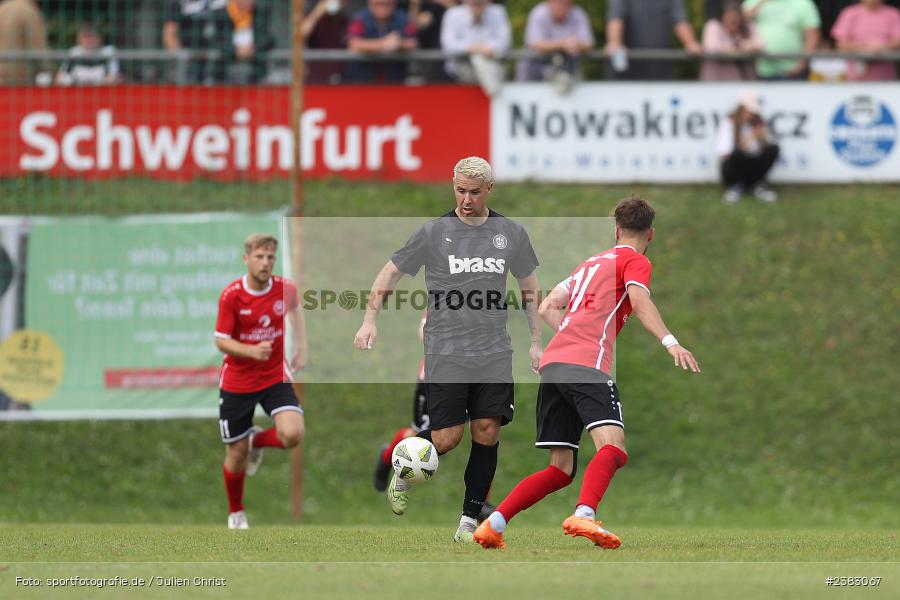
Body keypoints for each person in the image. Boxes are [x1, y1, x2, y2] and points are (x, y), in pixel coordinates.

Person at [474, 196, 701, 550]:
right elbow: (639, 300)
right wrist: (671, 342)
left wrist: (570, 333)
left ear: (616, 230)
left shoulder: (590, 264)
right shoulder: (635, 260)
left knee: (560, 469)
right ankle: (584, 513)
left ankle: (494, 524)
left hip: (554, 365)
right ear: (651, 234)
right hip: (586, 366)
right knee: (614, 448)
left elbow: (548, 305)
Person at [354, 156, 543, 543]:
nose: (466, 200)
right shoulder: (434, 232)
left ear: (489, 189)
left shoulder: (510, 232)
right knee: (446, 439)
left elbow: (529, 286)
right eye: (460, 191)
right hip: (446, 349)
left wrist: (537, 341)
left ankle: (468, 523)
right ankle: (403, 467)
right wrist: (369, 319)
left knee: (487, 430)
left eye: (474, 192)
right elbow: (390, 272)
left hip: (494, 350)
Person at [215, 233, 307, 530]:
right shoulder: (232, 296)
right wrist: (251, 351)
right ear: (247, 259)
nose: (265, 262)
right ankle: (236, 513)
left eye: (270, 257)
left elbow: (295, 309)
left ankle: (256, 440)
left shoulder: (285, 289)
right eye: (259, 257)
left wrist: (301, 346)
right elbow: (221, 341)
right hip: (238, 381)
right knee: (236, 453)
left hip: (273, 376)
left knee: (292, 434)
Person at [605, 0, 702, 80]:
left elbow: (680, 20)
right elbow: (615, 18)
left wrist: (690, 43)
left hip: (660, 68)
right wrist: (614, 42)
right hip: (627, 73)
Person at [517, 0, 595, 94]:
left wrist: (576, 44)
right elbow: (535, 43)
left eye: (566, 3)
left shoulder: (578, 14)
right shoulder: (538, 13)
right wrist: (562, 44)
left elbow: (589, 43)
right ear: (549, 2)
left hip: (566, 74)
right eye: (558, 3)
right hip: (534, 72)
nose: (561, 7)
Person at [716, 92, 780, 203]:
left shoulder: (758, 123)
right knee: (737, 154)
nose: (751, 115)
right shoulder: (729, 123)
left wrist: (761, 138)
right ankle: (735, 187)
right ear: (741, 109)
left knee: (773, 149)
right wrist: (750, 138)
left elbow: (762, 152)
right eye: (749, 112)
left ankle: (758, 185)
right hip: (735, 168)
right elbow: (726, 154)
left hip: (753, 166)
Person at [440, 0, 511, 95]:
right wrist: (472, 48)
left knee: (481, 59)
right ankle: (493, 90)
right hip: (460, 68)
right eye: (474, 3)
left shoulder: (498, 12)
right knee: (478, 58)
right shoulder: (453, 14)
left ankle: (493, 89)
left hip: (492, 63)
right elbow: (449, 45)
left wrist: (483, 49)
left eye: (480, 3)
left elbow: (504, 42)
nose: (477, 5)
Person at [742, 0, 821, 80]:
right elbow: (739, 22)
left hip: (793, 71)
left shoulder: (803, 3)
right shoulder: (751, 2)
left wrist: (802, 64)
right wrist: (761, 3)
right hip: (758, 71)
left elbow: (812, 36)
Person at [346, 0, 418, 82]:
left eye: (386, 4)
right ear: (370, 3)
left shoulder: (403, 18)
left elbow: (413, 43)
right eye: (378, 4)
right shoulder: (359, 18)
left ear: (394, 3)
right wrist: (383, 44)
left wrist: (400, 44)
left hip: (394, 79)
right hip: (363, 79)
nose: (382, 7)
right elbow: (353, 44)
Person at [831, 0, 900, 81]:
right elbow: (840, 44)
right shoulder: (849, 13)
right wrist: (867, 47)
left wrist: (881, 47)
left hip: (886, 76)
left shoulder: (893, 14)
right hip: (854, 76)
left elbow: (897, 41)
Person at [163, 0, 228, 84]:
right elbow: (169, 36)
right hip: (191, 64)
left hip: (221, 61)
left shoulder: (223, 3)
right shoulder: (178, 3)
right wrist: (184, 58)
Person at [701, 1, 763, 80]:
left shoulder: (747, 27)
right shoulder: (714, 25)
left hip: (743, 81)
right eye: (729, 18)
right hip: (716, 81)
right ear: (723, 17)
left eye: (736, 19)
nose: (733, 22)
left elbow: (760, 45)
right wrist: (737, 48)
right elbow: (711, 48)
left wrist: (751, 46)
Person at [302, 0, 351, 84]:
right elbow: (301, 35)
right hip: (317, 78)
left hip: (341, 78)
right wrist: (317, 12)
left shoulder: (346, 20)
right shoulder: (313, 17)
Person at [0, 0, 48, 85]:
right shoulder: (28, 11)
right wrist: (54, 74)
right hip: (17, 80)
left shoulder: (2, 7)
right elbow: (39, 51)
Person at [56, 23, 121, 86]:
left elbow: (114, 77)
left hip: (102, 90)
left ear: (100, 38)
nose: (88, 40)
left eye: (91, 36)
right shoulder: (74, 53)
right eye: (85, 37)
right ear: (79, 39)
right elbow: (60, 78)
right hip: (77, 89)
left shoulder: (108, 52)